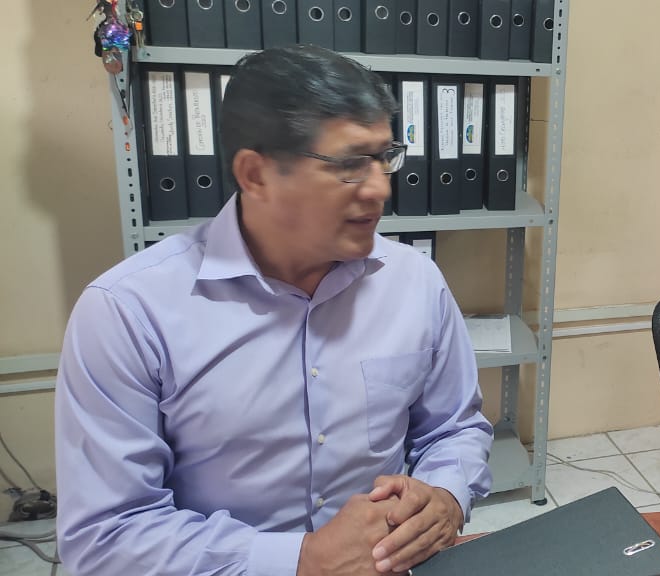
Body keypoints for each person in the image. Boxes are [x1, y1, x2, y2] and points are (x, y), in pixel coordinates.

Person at [55, 45, 493, 576]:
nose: (381, 187)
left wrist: (445, 495)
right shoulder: (128, 313)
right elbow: (105, 538)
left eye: (385, 157)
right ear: (255, 174)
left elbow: (454, 428)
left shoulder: (414, 281)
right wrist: (301, 559)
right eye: (350, 164)